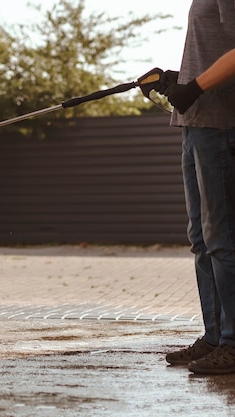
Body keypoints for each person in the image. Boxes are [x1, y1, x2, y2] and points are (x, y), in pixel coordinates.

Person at [156, 0, 235, 375]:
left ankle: (232, 343)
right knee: (201, 239)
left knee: (222, 239)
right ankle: (216, 336)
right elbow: (214, 50)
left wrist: (196, 87)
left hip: (220, 124)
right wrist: (178, 78)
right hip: (196, 125)